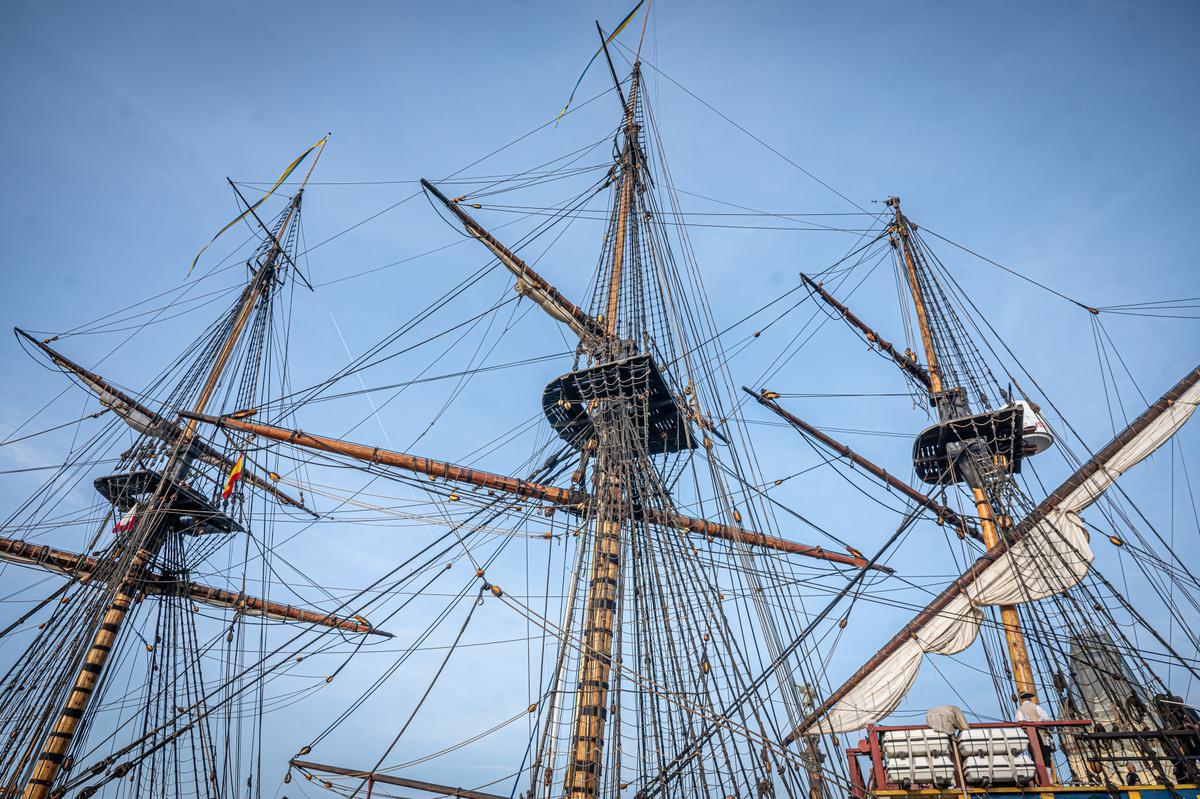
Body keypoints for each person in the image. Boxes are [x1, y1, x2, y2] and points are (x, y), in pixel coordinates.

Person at [1015, 693, 1054, 772]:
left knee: (1034, 756)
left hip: (1029, 738)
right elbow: (1047, 721)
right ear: (1030, 699)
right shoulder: (1036, 707)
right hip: (1042, 735)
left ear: (1021, 700)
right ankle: (1048, 777)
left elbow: (1019, 725)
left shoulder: (1019, 711)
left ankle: (1039, 776)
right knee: (1046, 756)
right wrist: (1051, 728)